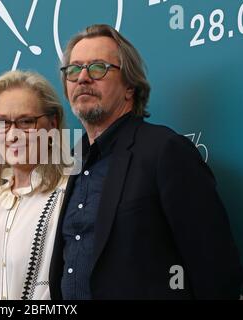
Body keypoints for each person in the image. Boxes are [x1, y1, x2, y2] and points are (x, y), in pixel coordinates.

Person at [49, 24, 243, 299]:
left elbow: (216, 270)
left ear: (129, 86)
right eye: (73, 69)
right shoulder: (71, 163)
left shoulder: (165, 151)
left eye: (97, 68)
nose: (82, 78)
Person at [0, 70, 69, 300]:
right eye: (2, 122)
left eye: (26, 121)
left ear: (52, 125)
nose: (12, 135)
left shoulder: (69, 197)